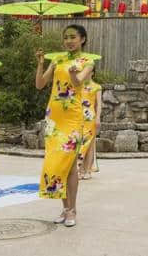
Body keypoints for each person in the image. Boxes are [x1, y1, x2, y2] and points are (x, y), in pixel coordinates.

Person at [35, 24, 94, 227]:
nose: (69, 41)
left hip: (72, 118)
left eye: (73, 37)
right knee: (55, 162)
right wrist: (41, 64)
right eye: (66, 37)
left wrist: (71, 74)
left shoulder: (88, 61)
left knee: (69, 166)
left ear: (82, 39)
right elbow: (40, 84)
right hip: (54, 117)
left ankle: (72, 210)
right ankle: (64, 208)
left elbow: (77, 83)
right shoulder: (57, 59)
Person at [78, 69, 102, 180]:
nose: (86, 73)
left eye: (88, 71)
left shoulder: (97, 87)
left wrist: (97, 118)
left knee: (89, 145)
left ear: (92, 73)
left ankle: (88, 170)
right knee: (79, 143)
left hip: (90, 117)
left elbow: (99, 105)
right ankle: (80, 169)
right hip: (78, 117)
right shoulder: (78, 85)